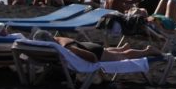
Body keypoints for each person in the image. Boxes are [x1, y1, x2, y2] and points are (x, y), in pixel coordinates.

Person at [30, 30, 163, 63]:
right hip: (87, 45)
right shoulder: (58, 37)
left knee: (124, 56)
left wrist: (95, 64)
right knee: (111, 51)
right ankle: (121, 47)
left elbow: (92, 57)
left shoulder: (65, 46)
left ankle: (147, 51)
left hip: (93, 51)